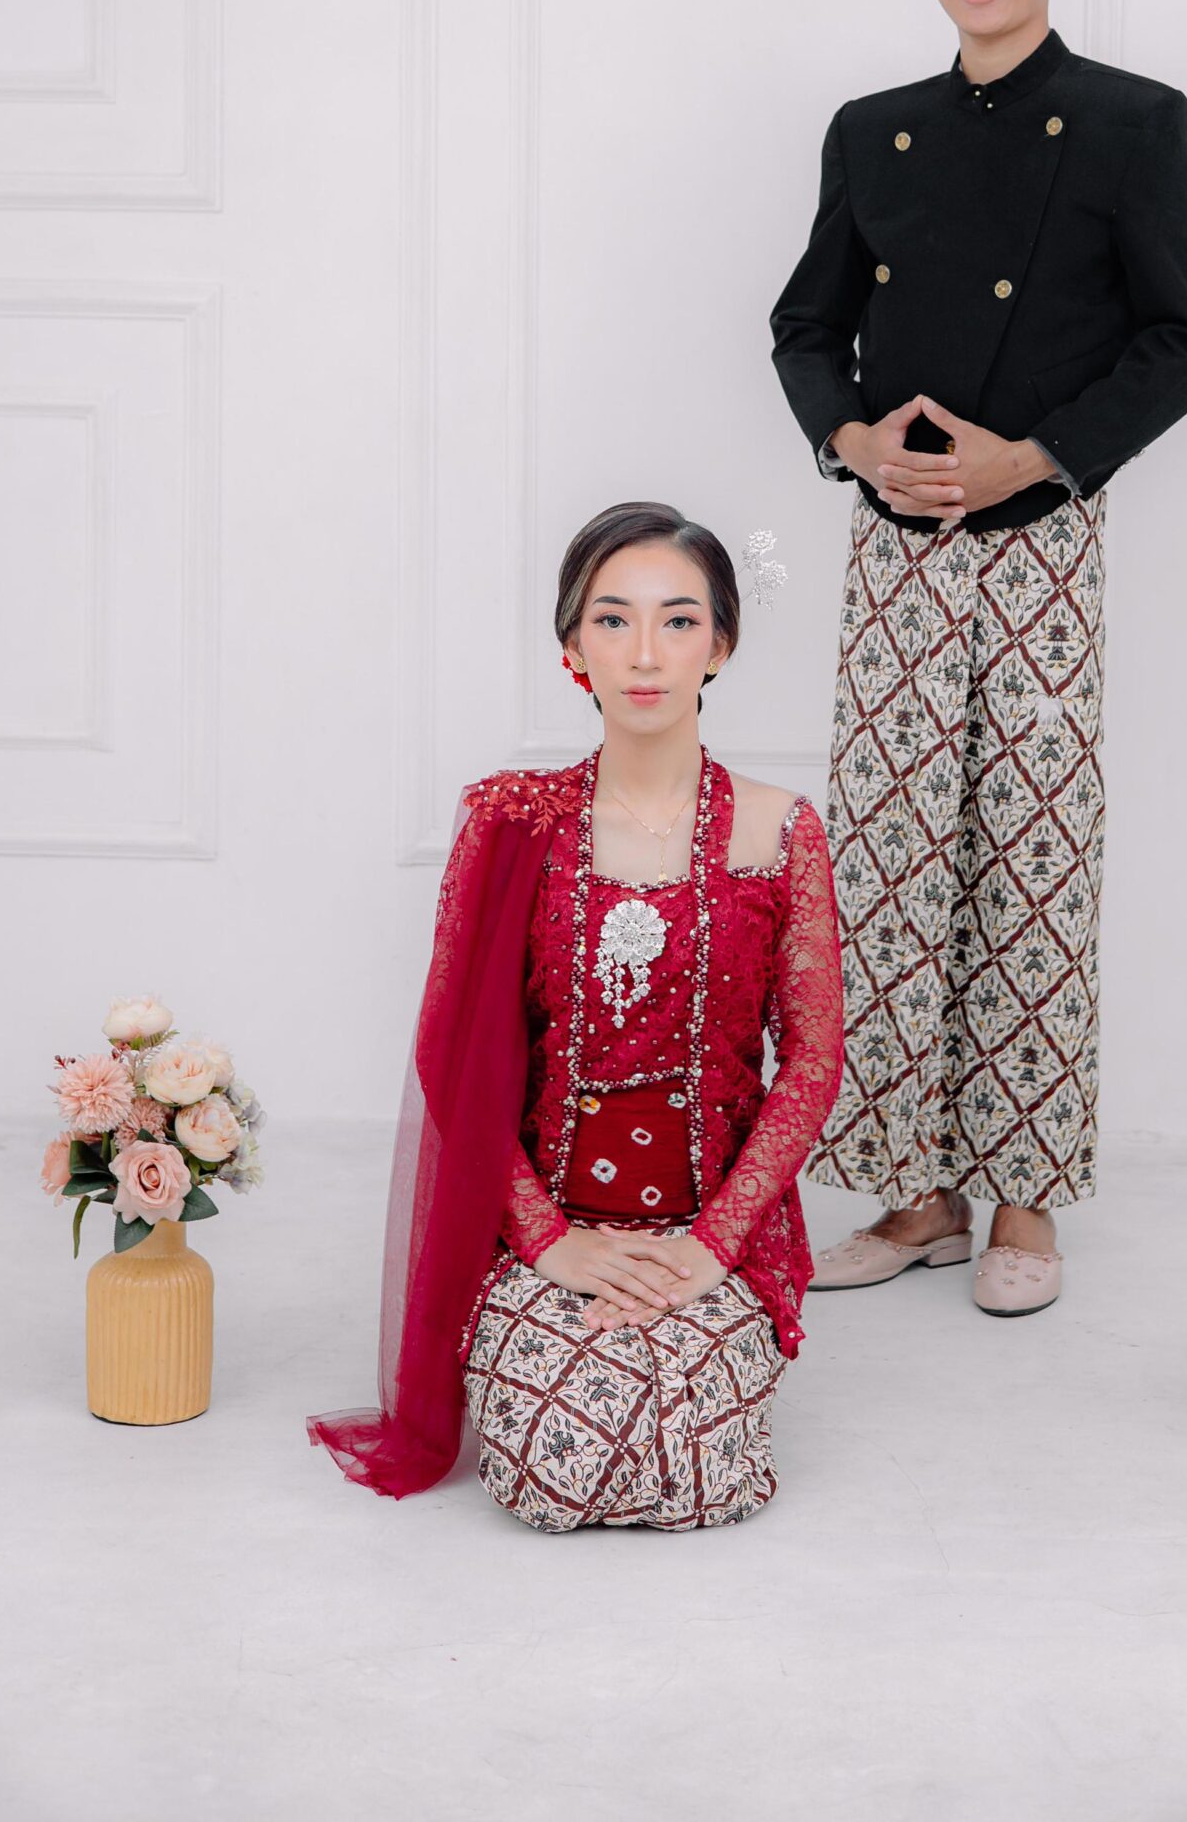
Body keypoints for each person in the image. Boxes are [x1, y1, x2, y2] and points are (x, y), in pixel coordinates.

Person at [770, 0, 1187, 1318]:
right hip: (895, 546)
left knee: (1032, 858)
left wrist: (1030, 459)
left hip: (1042, 541)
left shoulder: (1133, 120)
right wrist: (850, 441)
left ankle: (1024, 1195)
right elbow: (804, 326)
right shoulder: (871, 130)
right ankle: (915, 1193)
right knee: (888, 864)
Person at [308, 501, 842, 1528]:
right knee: (559, 1475)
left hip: (709, 1232)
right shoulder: (513, 822)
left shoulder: (781, 830)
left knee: (703, 1471)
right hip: (544, 1227)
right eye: (612, 619)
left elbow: (814, 1058)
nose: (644, 653)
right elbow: (452, 1056)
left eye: (678, 620)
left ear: (721, 645)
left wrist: (712, 1245)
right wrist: (550, 1242)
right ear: (571, 647)